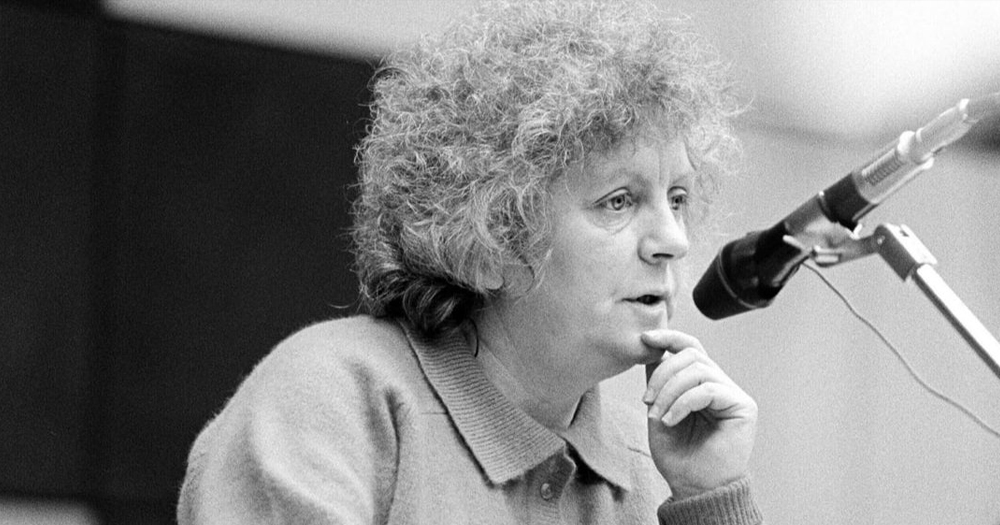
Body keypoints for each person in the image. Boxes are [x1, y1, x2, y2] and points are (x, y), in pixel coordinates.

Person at [177, 0, 761, 523]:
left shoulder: (657, 462)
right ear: (489, 241)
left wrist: (710, 499)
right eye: (619, 201)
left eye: (678, 199)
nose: (673, 240)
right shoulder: (331, 397)